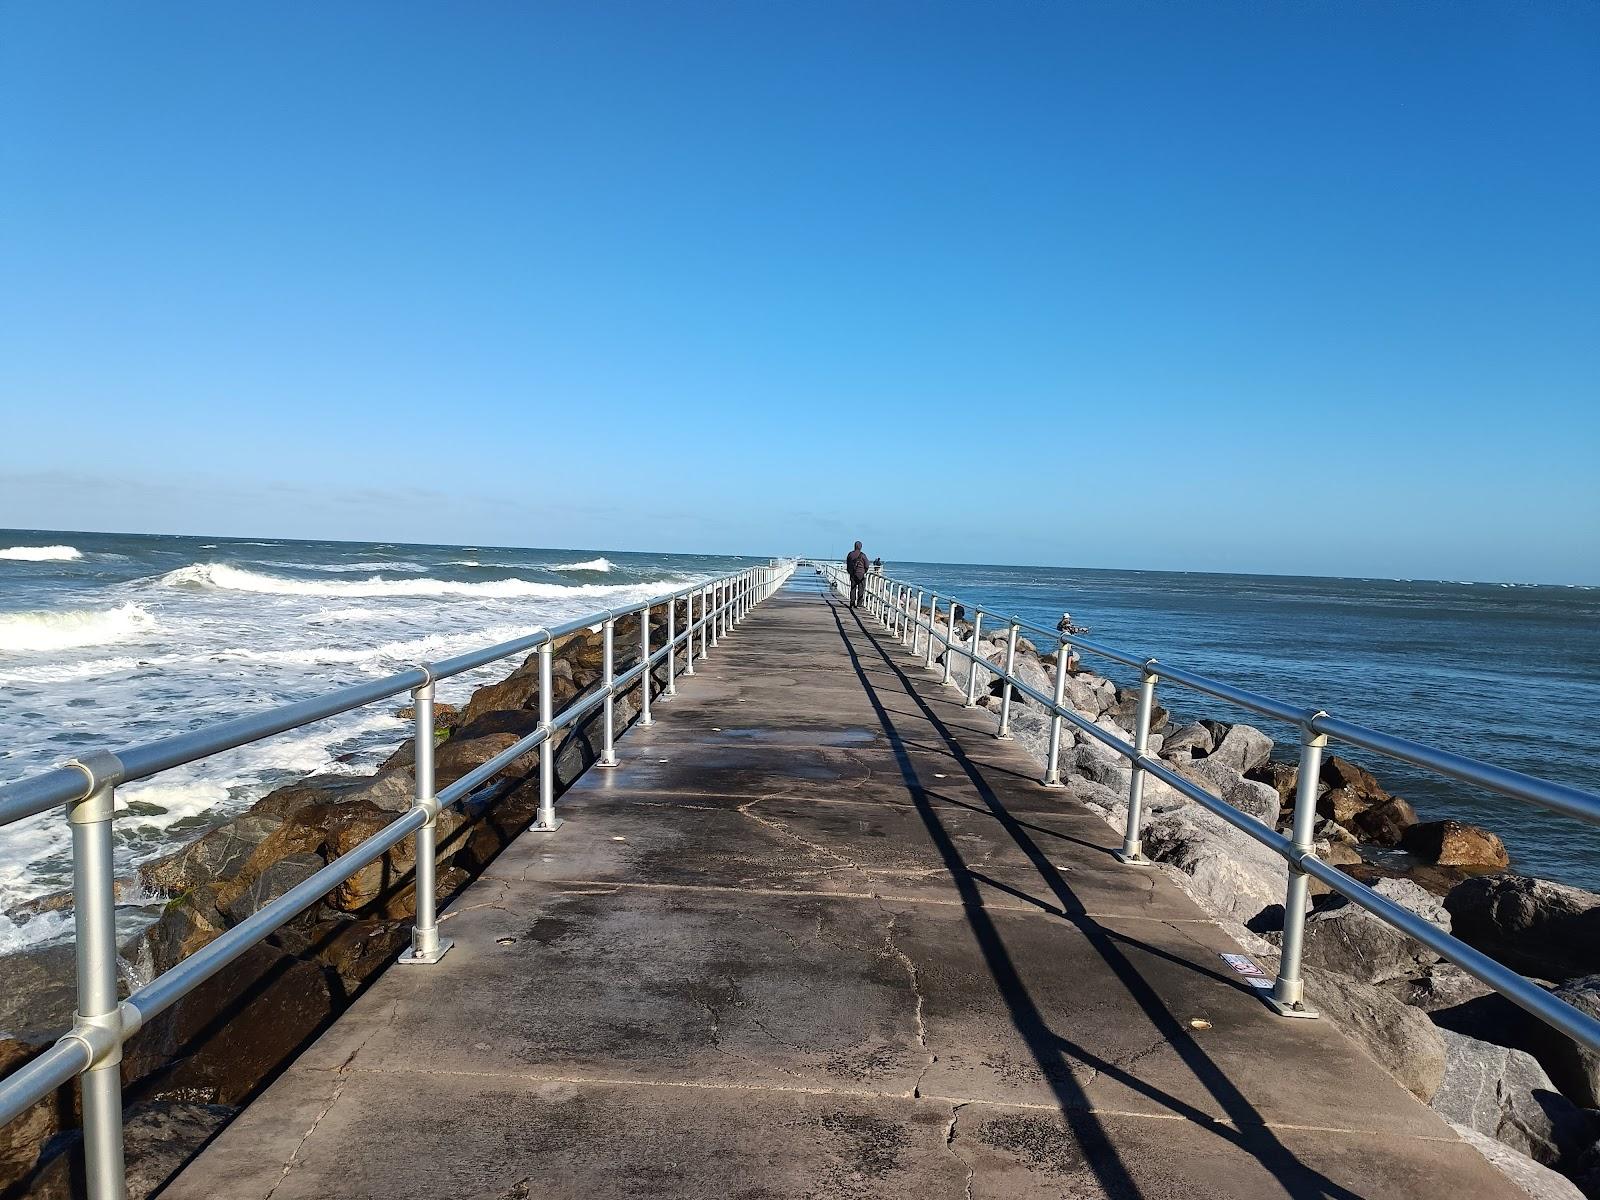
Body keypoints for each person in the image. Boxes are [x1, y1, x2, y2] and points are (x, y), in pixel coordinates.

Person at [845, 541, 869, 607]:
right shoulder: (863, 555)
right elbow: (867, 565)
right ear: (860, 547)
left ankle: (852, 603)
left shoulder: (850, 554)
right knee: (861, 589)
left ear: (854, 546)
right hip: (861, 574)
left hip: (853, 573)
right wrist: (864, 571)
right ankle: (859, 604)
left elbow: (848, 564)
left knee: (853, 588)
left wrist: (850, 571)